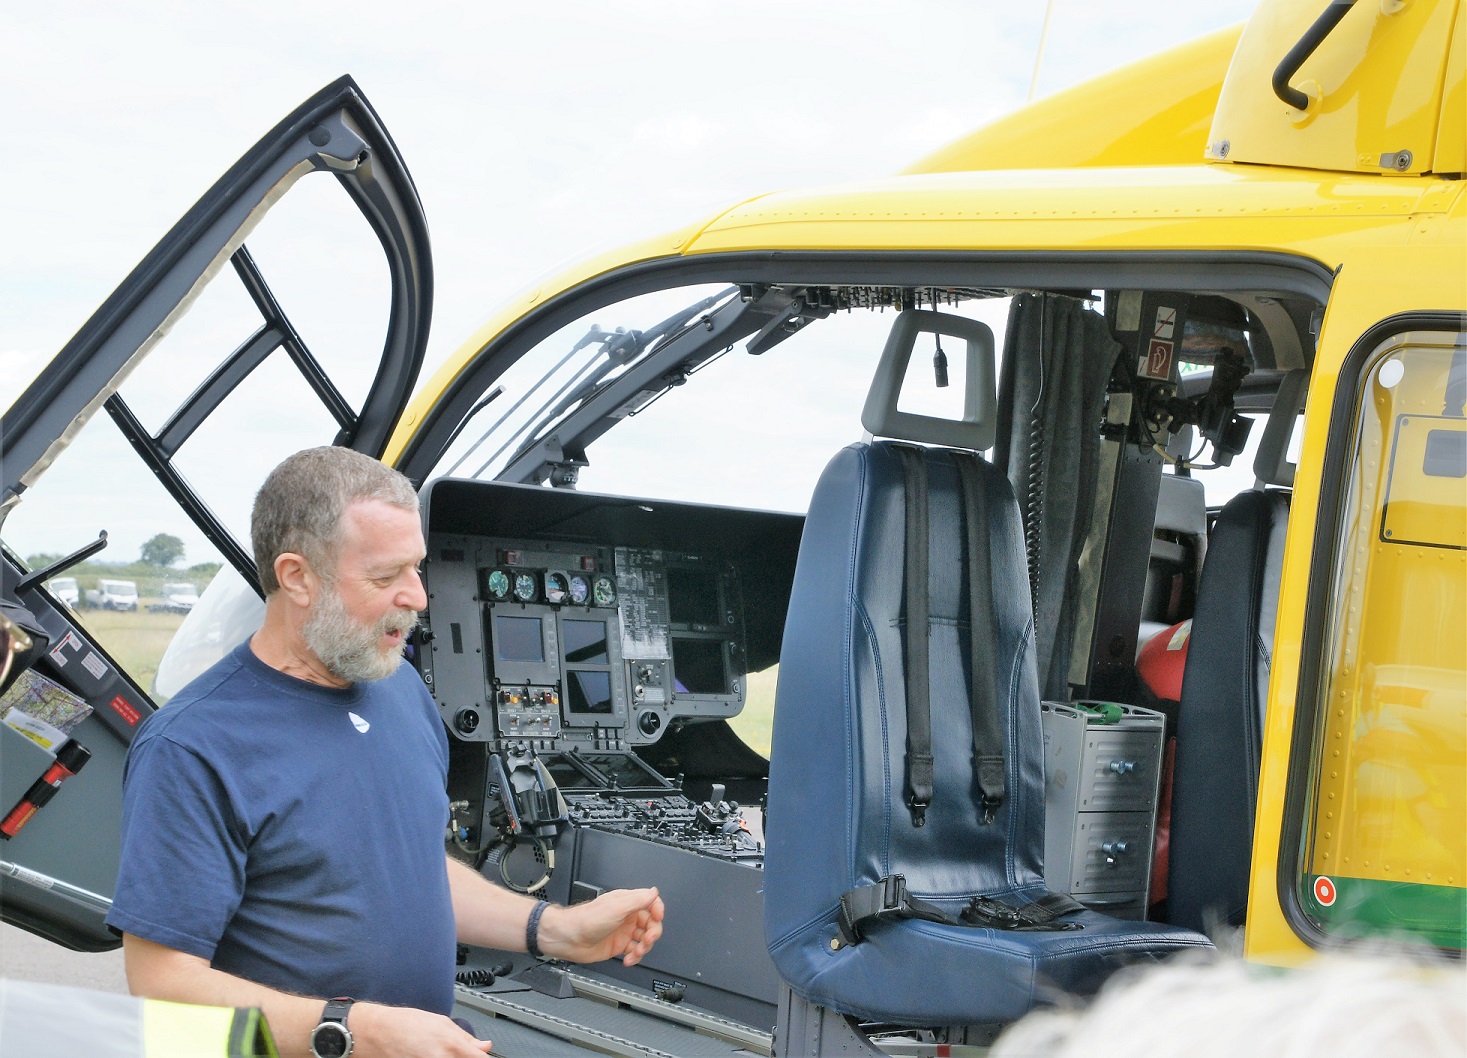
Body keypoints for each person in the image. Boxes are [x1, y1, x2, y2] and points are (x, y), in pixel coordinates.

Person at [106, 447, 664, 1058]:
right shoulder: (193, 746)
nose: (418, 597)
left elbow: (407, 864)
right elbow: (163, 987)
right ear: (296, 577)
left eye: (417, 568)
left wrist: (552, 930)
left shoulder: (397, 689)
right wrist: (354, 1032)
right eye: (385, 576)